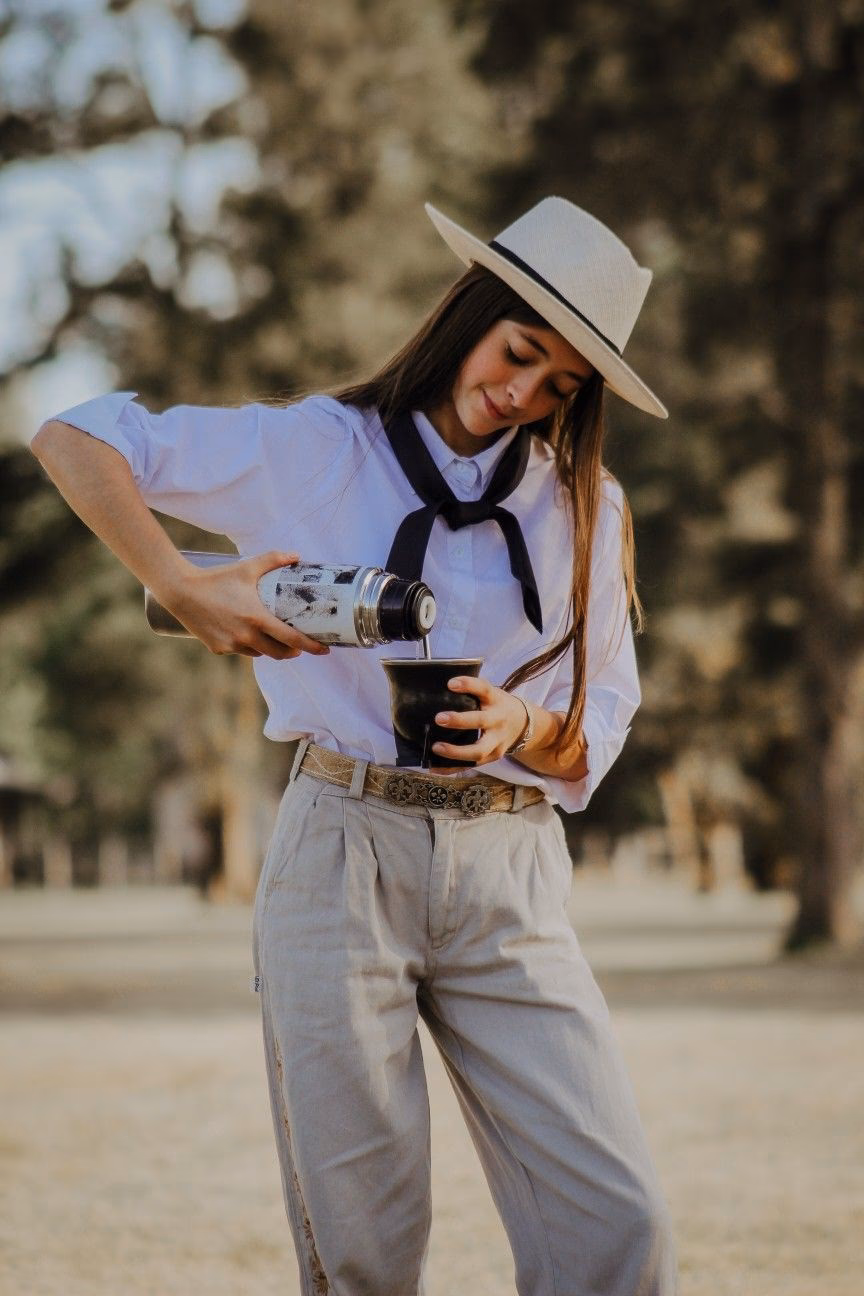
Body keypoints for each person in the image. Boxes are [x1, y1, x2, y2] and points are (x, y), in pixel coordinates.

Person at [31, 196, 679, 1295]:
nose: (523, 395)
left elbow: (597, 729)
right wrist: (177, 581)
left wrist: (524, 727)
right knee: (366, 1247)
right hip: (342, 852)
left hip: (508, 871)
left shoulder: (587, 509)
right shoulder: (317, 449)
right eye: (519, 353)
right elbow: (74, 435)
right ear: (470, 313)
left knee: (617, 1227)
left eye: (561, 384)